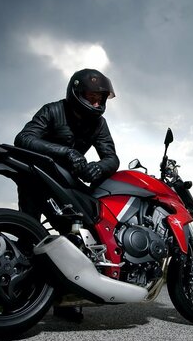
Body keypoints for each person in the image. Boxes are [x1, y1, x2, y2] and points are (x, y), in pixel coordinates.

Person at [14, 68, 120, 322]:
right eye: (91, 97)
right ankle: (18, 297)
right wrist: (64, 152)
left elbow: (112, 158)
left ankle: (65, 300)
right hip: (35, 178)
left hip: (66, 185)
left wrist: (99, 167)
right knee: (28, 234)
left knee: (75, 239)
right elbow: (23, 139)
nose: (96, 103)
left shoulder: (98, 123)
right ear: (76, 93)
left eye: (100, 99)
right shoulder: (52, 110)